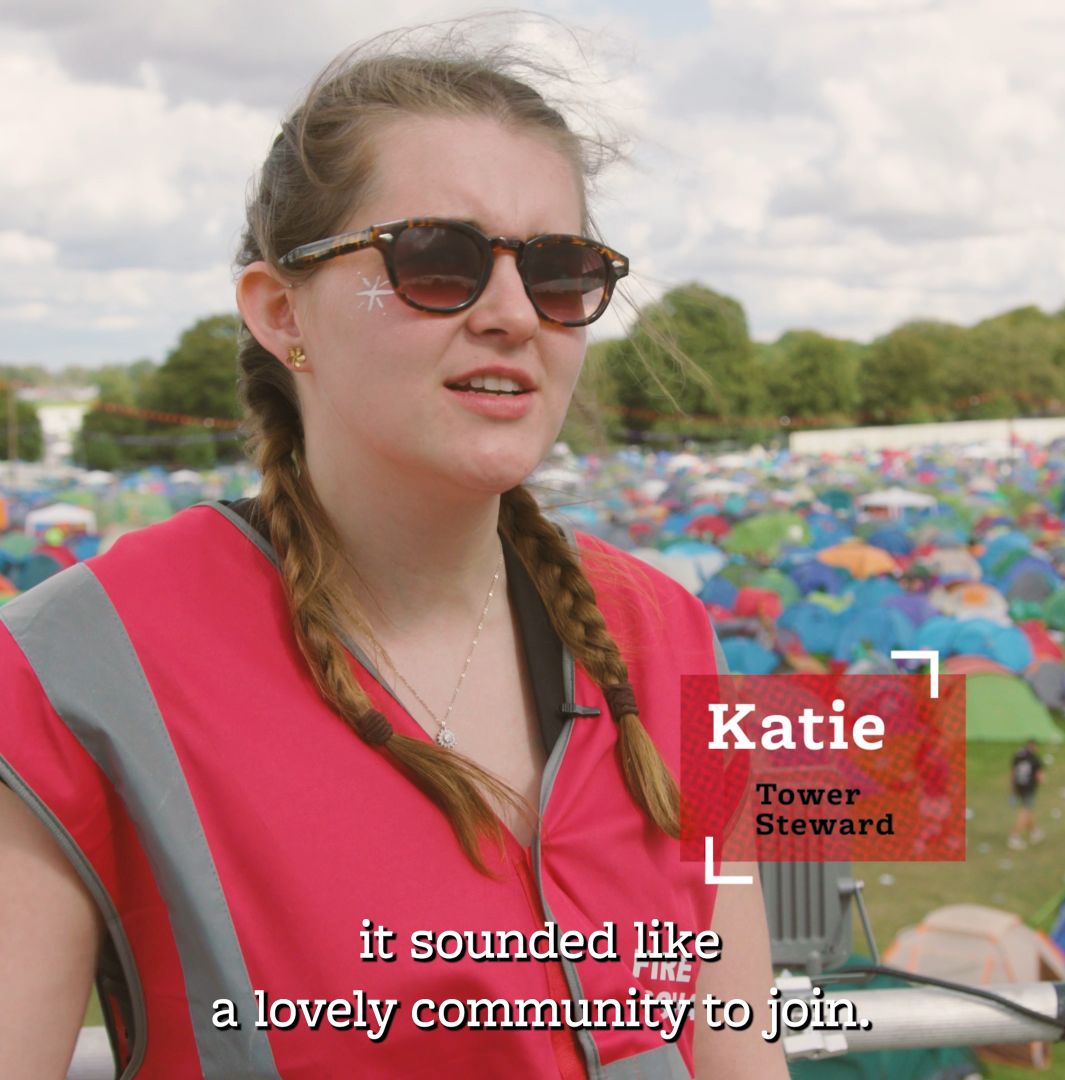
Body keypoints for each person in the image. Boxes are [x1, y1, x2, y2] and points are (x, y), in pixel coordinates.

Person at [0, 30, 788, 1079]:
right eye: (435, 263)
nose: (511, 314)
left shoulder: (666, 626)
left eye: (560, 272)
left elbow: (738, 1049)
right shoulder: (73, 666)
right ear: (283, 312)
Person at [1008, 738, 1045, 850]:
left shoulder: (1018, 756)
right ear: (1034, 746)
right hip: (1029, 789)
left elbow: (1012, 773)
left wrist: (1012, 790)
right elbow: (1040, 777)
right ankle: (1015, 836)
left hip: (1018, 788)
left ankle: (1034, 832)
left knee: (1028, 811)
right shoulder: (1035, 759)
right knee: (1025, 811)